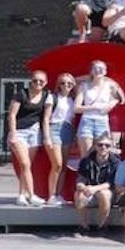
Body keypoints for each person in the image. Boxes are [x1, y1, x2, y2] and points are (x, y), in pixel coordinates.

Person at [7, 70, 53, 207]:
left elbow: (46, 117)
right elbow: (12, 115)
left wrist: (46, 137)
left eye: (41, 81)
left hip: (34, 133)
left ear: (45, 83)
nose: (38, 83)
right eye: (35, 80)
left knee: (25, 166)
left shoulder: (46, 95)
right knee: (25, 164)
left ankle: (21, 195)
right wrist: (13, 134)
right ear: (30, 81)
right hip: (20, 132)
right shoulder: (21, 94)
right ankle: (32, 195)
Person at [74, 60, 122, 157]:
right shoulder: (84, 86)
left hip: (102, 121)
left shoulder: (110, 86)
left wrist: (111, 104)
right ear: (91, 71)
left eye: (101, 68)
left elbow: (121, 99)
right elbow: (76, 108)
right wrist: (93, 107)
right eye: (95, 68)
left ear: (105, 71)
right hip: (87, 121)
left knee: (102, 154)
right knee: (86, 156)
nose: (98, 71)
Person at [44, 73, 78, 205]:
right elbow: (46, 118)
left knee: (63, 166)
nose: (66, 85)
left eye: (69, 83)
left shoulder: (73, 99)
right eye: (63, 83)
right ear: (58, 84)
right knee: (57, 164)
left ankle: (58, 195)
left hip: (68, 130)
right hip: (54, 129)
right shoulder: (52, 97)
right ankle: (51, 195)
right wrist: (47, 136)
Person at [74, 134, 117, 237]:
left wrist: (94, 188)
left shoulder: (115, 162)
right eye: (100, 145)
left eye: (107, 145)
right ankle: (83, 226)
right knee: (79, 195)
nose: (103, 147)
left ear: (111, 147)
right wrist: (83, 187)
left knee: (104, 194)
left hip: (108, 192)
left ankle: (102, 226)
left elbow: (111, 183)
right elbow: (80, 180)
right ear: (95, 146)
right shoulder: (86, 161)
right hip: (90, 191)